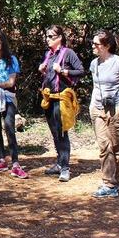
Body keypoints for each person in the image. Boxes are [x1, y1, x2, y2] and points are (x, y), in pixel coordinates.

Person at [89, 29, 119, 197]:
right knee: (104, 145)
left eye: (96, 44)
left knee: (115, 145)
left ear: (107, 46)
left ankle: (115, 179)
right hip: (98, 108)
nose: (93, 46)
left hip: (116, 109)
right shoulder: (94, 64)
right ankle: (108, 183)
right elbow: (95, 87)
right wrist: (92, 107)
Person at [38, 25, 84, 182]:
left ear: (59, 38)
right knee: (54, 132)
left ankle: (65, 168)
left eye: (51, 36)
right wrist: (43, 69)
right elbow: (48, 72)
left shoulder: (68, 53)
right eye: (47, 36)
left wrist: (63, 71)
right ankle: (59, 163)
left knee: (62, 132)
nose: (48, 39)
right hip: (49, 98)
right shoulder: (48, 54)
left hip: (62, 99)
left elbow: (80, 71)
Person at [0, 31, 27, 179]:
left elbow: (11, 82)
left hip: (7, 97)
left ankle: (15, 162)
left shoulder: (11, 60)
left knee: (9, 126)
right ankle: (1, 159)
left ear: (3, 44)